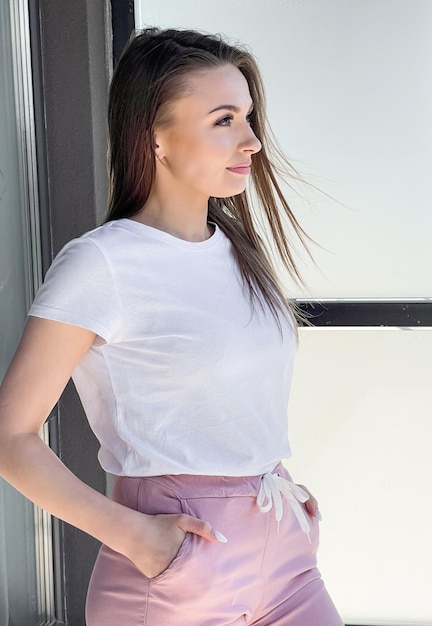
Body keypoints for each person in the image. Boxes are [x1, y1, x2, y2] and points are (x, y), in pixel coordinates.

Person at [0, 28, 343, 625]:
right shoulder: (102, 263)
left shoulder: (238, 249)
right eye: (224, 120)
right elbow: (10, 438)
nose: (252, 140)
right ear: (155, 138)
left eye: (248, 116)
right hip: (181, 568)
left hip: (285, 556)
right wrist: (138, 539)